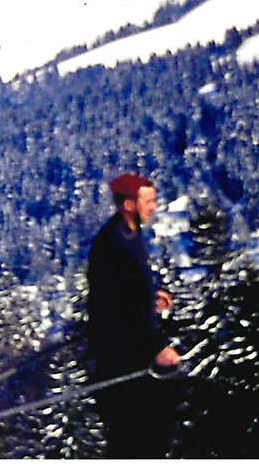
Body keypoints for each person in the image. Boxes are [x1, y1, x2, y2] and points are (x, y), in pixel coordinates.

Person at [86, 173, 181, 458]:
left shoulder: (128, 235)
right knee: (137, 436)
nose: (154, 207)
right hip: (123, 355)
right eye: (148, 201)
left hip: (129, 348)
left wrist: (150, 297)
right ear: (129, 204)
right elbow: (117, 308)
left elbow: (125, 293)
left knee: (144, 433)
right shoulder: (115, 243)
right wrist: (157, 347)